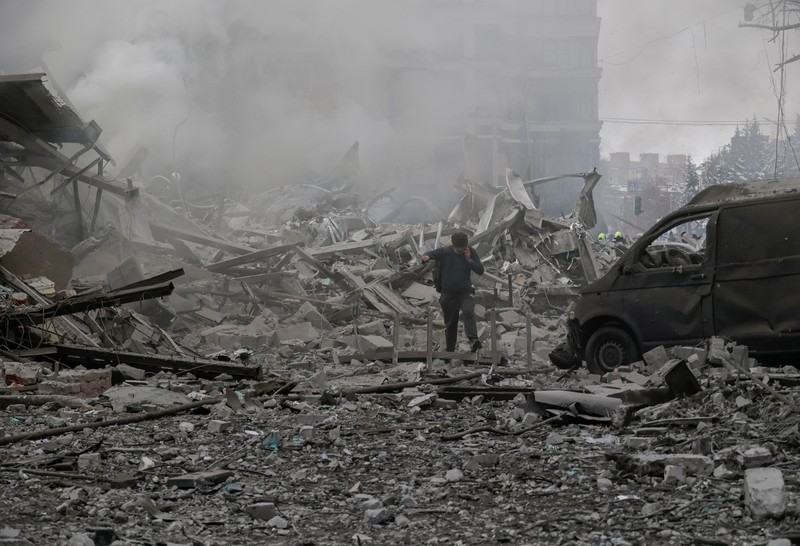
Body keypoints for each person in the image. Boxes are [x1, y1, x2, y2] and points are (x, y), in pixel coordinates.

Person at [421, 232, 485, 353]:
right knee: (451, 323)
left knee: (468, 311)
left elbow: (480, 270)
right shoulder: (445, 252)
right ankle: (450, 350)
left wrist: (469, 260)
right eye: (458, 247)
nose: (460, 250)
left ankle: (473, 340)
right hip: (448, 294)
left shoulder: (470, 252)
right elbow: (430, 254)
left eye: (463, 247)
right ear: (453, 245)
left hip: (465, 292)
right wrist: (426, 257)